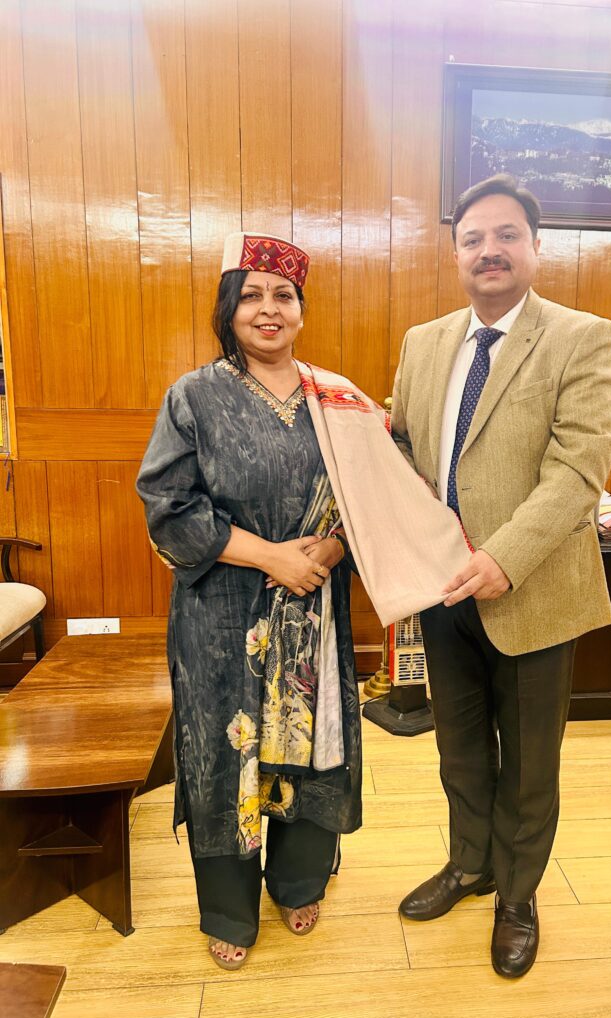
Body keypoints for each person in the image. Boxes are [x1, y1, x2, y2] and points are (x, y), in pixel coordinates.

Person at [392, 174, 611, 978]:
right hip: (443, 590)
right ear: (455, 252)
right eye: (472, 239)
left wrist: (504, 559)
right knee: (458, 748)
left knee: (529, 764)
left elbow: (578, 471)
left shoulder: (584, 337)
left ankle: (518, 895)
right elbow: (404, 444)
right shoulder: (424, 342)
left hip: (534, 591)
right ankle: (471, 865)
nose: (487, 251)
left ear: (534, 246)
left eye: (505, 236)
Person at [136, 233, 362, 970]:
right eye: (252, 296)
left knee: (311, 743)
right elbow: (167, 505)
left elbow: (375, 492)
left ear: (301, 309)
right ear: (228, 310)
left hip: (314, 610)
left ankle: (299, 880)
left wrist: (329, 551)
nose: (269, 310)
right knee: (221, 752)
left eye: (284, 296)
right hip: (221, 614)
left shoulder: (337, 397)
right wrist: (272, 557)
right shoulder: (194, 396)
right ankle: (229, 909)